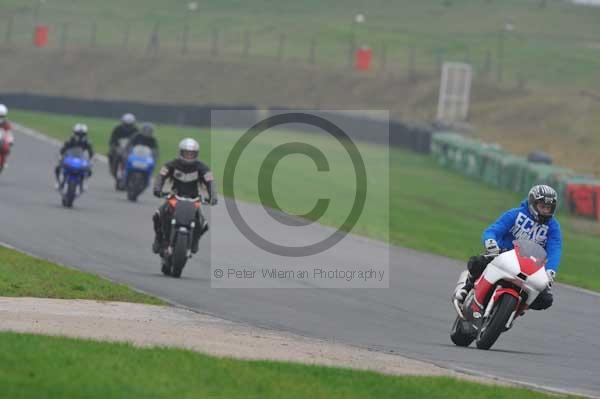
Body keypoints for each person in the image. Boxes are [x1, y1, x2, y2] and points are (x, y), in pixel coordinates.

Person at [454, 184, 562, 311]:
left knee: (545, 299)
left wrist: (550, 270)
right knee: (478, 263)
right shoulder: (515, 214)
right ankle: (466, 288)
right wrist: (490, 241)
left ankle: (518, 309)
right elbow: (494, 229)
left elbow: (555, 248)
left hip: (530, 266)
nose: (545, 211)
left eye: (548, 208)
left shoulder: (553, 227)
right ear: (533, 203)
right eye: (542, 206)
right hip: (503, 255)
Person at [151, 138, 217, 255]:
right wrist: (157, 189)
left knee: (204, 224)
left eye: (192, 154)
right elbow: (161, 175)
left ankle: (194, 241)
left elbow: (210, 181)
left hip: (194, 199)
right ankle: (159, 238)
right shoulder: (172, 164)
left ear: (196, 154)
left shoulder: (202, 167)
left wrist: (213, 196)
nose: (189, 156)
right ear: (181, 152)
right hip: (174, 197)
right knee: (157, 215)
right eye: (186, 153)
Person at [55, 123, 94, 190]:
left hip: (80, 159)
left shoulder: (87, 142)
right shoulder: (70, 140)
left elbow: (91, 152)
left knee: (89, 171)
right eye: (78, 134)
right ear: (74, 133)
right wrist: (61, 156)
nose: (80, 136)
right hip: (70, 158)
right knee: (58, 168)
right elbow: (63, 149)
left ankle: (82, 183)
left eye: (82, 134)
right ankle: (60, 182)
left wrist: (91, 160)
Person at [108, 113, 138, 177]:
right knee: (110, 154)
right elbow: (113, 138)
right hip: (119, 147)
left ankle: (133, 171)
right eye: (126, 125)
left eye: (129, 125)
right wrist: (114, 146)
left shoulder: (135, 130)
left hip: (130, 149)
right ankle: (112, 168)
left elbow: (138, 140)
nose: (127, 127)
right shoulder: (118, 129)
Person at [0, 104, 15, 172]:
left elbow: (9, 133)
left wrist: (10, 140)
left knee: (6, 148)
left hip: (1, 141)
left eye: (2, 116)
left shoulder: (6, 124)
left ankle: (3, 161)